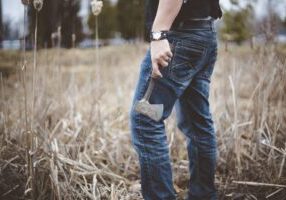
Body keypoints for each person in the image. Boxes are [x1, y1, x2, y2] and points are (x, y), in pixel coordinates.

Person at [130, 0, 222, 199]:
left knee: (145, 119)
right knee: (197, 122)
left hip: (180, 36)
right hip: (204, 33)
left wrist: (159, 33)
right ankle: (204, 195)